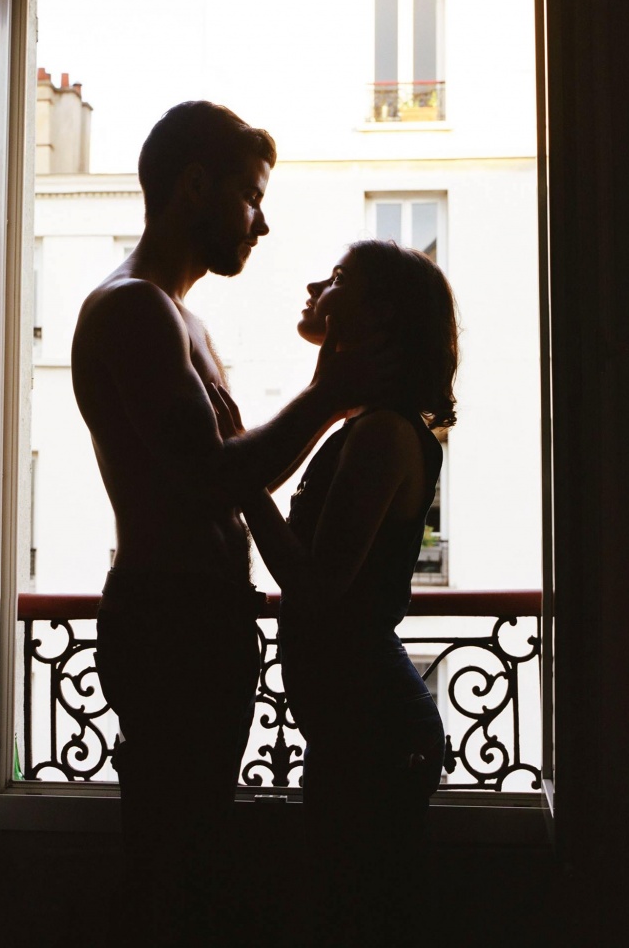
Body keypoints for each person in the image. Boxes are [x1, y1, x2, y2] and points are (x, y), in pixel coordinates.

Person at [70, 102, 393, 943]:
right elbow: (211, 480)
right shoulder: (135, 310)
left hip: (198, 617)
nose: (262, 222)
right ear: (193, 186)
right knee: (173, 860)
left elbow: (228, 472)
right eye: (251, 197)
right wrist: (329, 396)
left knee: (193, 847)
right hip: (168, 618)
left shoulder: (184, 320)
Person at [211, 239, 458, 946]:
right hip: (361, 726)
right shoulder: (366, 425)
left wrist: (239, 477)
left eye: (340, 277)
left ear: (381, 316)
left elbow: (317, 586)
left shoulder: (382, 435)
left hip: (373, 732)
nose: (317, 285)